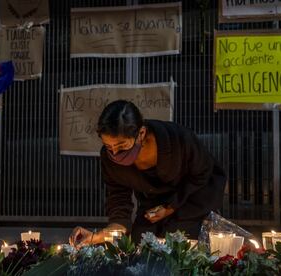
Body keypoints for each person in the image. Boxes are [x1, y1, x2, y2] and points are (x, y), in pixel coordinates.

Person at [69, 100, 226, 247]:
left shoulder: (177, 139)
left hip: (193, 198)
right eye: (109, 147)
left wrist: (170, 207)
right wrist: (102, 234)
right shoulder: (109, 159)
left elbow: (202, 174)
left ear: (141, 133)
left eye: (121, 145)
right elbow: (118, 199)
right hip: (153, 206)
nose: (115, 153)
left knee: (177, 242)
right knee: (141, 242)